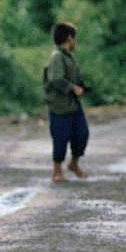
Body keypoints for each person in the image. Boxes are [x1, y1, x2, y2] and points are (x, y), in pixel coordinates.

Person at [44, 22, 89, 183]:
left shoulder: (68, 56)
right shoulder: (57, 56)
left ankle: (74, 164)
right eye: (74, 38)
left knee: (82, 134)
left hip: (73, 104)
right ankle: (57, 172)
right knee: (60, 138)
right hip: (59, 106)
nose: (75, 42)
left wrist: (81, 86)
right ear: (69, 38)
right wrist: (72, 88)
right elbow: (56, 78)